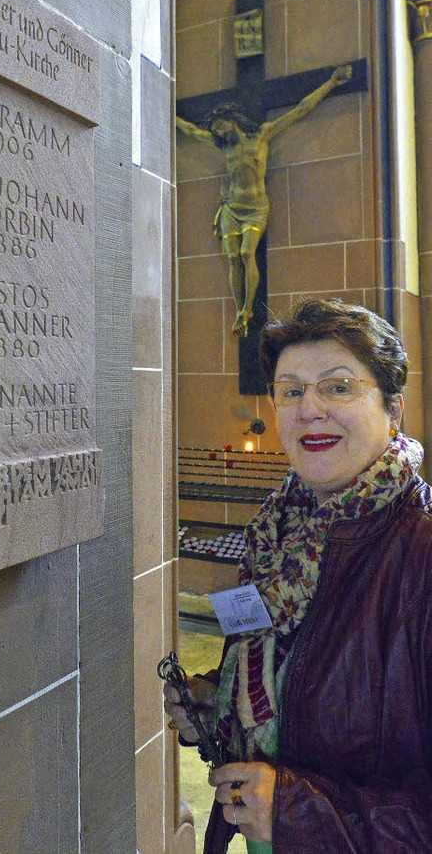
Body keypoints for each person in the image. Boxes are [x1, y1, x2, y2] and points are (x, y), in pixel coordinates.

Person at [164, 298, 432, 852]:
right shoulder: (275, 537)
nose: (309, 408)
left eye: (338, 387)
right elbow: (291, 684)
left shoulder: (420, 556)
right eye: (291, 390)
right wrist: (221, 708)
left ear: (395, 407)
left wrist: (298, 813)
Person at [176, 66, 352, 336]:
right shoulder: (223, 145)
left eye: (220, 126)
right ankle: (240, 312)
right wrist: (165, 107)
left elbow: (301, 109)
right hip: (231, 208)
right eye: (215, 130)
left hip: (255, 208)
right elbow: (189, 130)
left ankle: (248, 307)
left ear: (231, 119)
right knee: (233, 257)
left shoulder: (262, 135)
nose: (218, 132)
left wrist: (331, 83)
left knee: (247, 253)